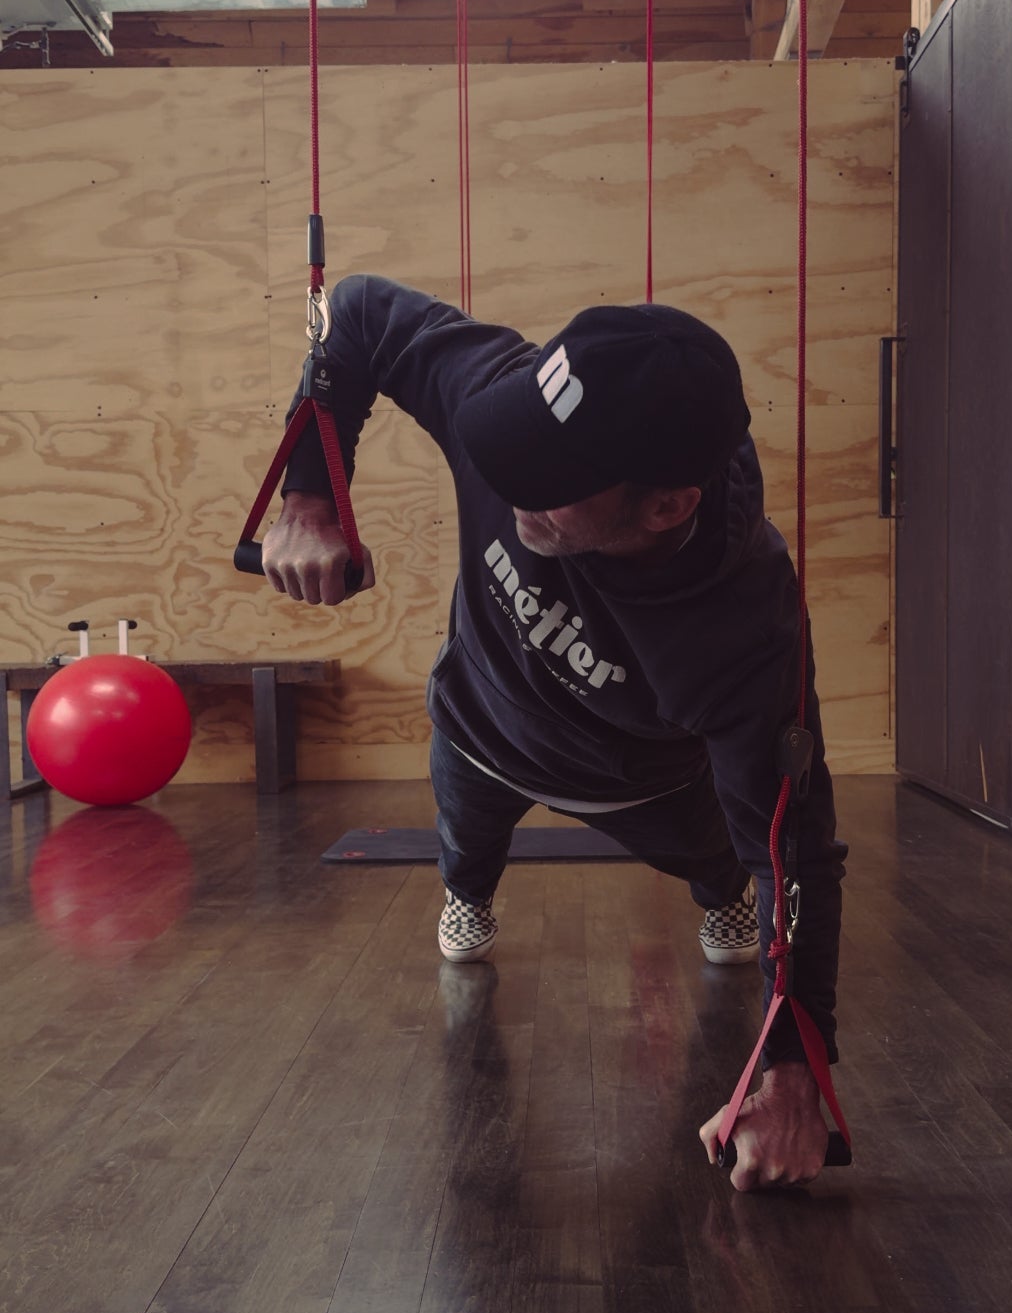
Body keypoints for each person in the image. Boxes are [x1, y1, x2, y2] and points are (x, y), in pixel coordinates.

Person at [261, 276, 847, 1191]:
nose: (508, 482)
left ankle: (710, 890)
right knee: (466, 859)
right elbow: (361, 312)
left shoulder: (742, 631)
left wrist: (792, 1070)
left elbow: (796, 852)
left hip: (641, 782)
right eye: (514, 450)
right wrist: (310, 494)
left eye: (553, 483)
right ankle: (470, 890)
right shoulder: (503, 394)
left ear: (665, 507)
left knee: (725, 867)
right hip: (481, 725)